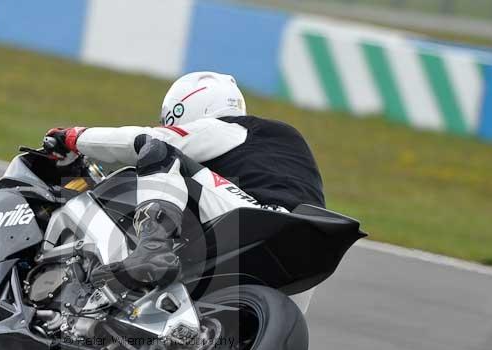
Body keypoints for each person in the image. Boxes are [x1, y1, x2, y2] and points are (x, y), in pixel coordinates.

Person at [44, 71, 325, 291]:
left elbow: (149, 141)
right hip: (310, 245)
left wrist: (73, 137)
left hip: (260, 218)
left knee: (159, 152)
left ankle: (152, 249)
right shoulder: (271, 141)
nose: (174, 128)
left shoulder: (227, 128)